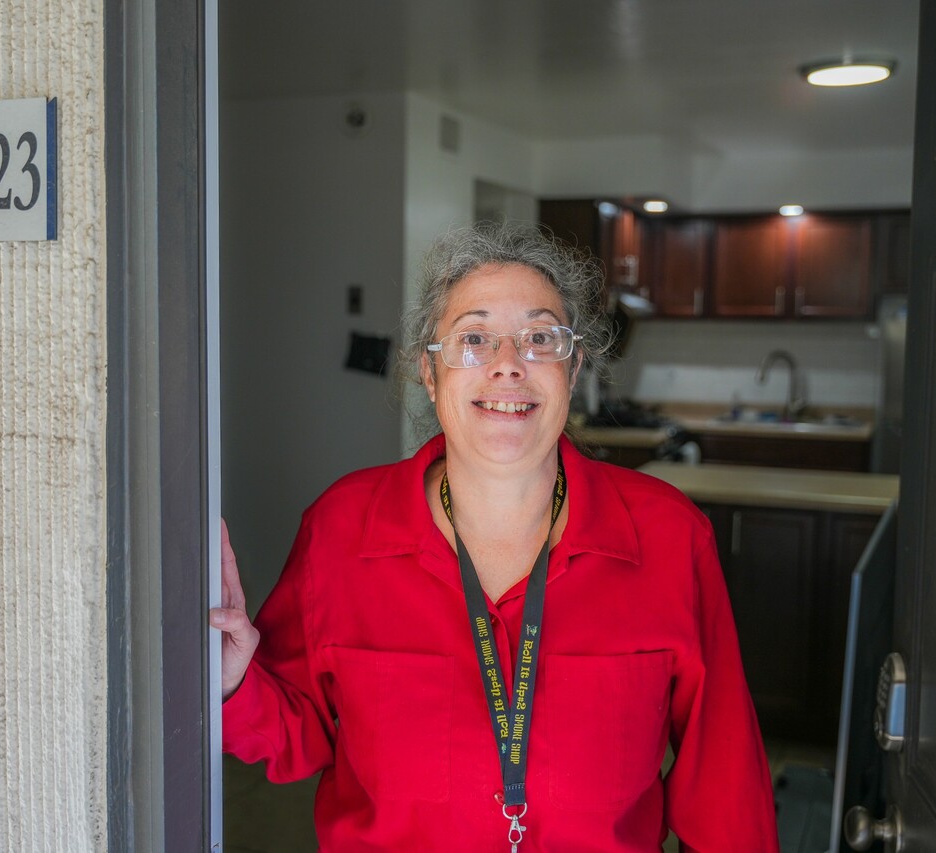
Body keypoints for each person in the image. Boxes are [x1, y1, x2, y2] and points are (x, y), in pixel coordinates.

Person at [211, 222, 780, 851]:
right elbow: (299, 733)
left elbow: (725, 787)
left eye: (540, 338)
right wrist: (234, 682)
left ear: (574, 366)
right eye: (474, 339)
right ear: (430, 374)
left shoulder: (670, 537)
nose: (509, 365)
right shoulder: (341, 531)